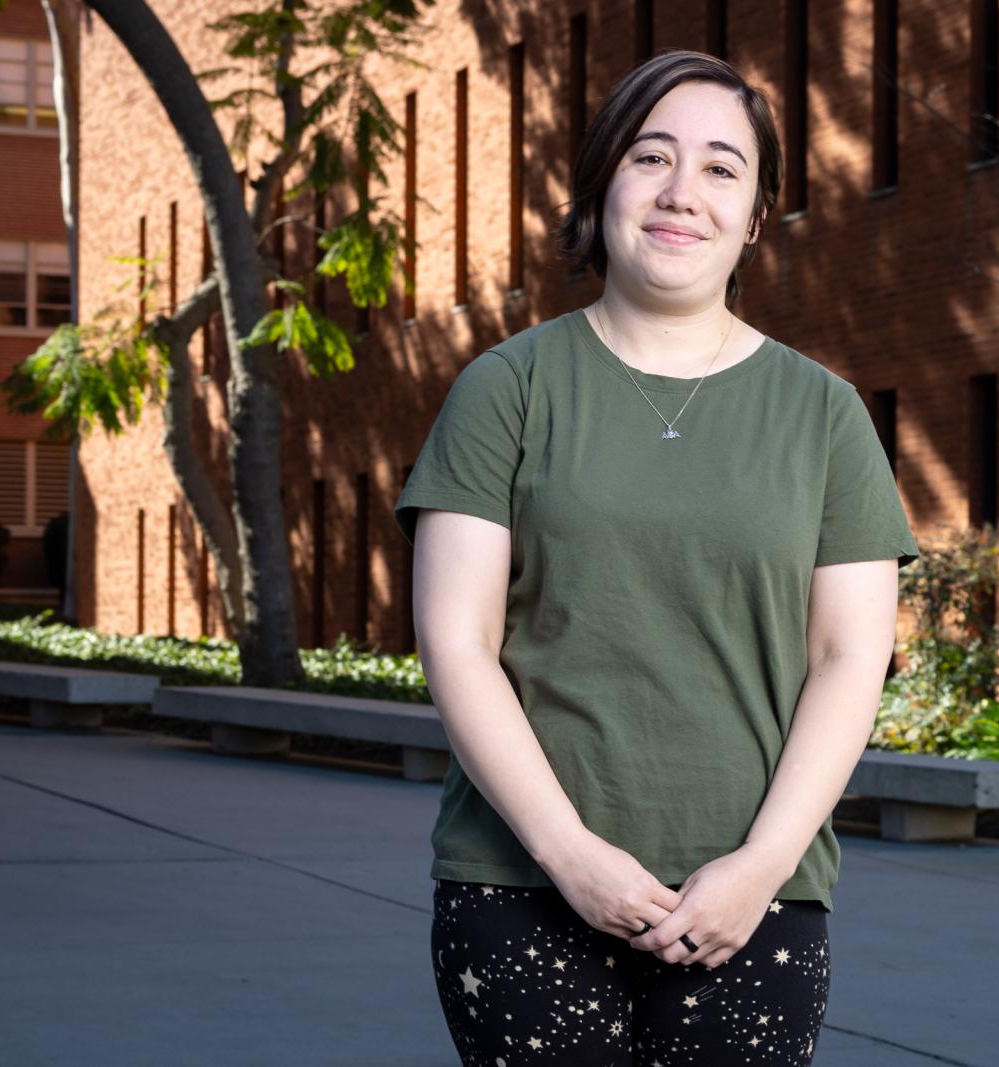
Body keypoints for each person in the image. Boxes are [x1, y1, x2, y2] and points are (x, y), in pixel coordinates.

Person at [394, 48, 919, 1067]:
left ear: (758, 213)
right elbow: (457, 639)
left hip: (752, 900)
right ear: (602, 184)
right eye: (651, 157)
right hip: (522, 886)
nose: (683, 192)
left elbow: (850, 657)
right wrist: (572, 857)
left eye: (723, 168)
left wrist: (760, 867)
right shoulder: (508, 388)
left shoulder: (823, 413)